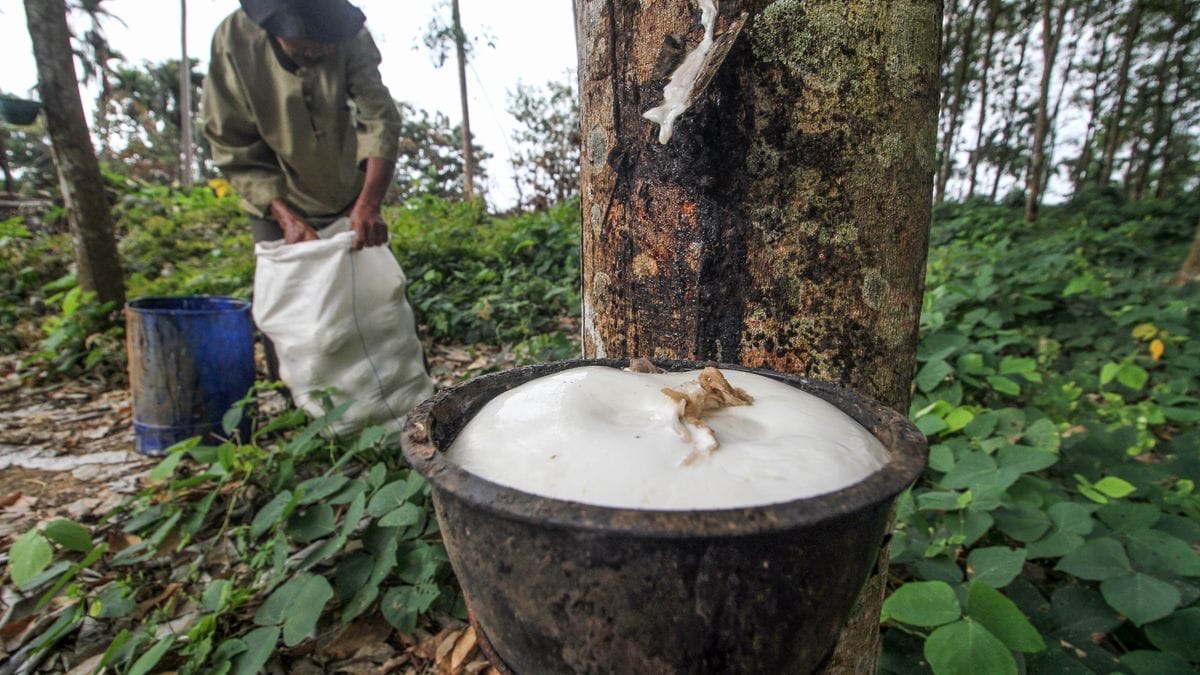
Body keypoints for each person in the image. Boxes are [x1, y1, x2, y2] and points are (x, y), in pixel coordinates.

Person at [202, 0, 399, 251]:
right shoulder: (233, 41)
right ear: (275, 26)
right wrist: (284, 215)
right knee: (291, 285)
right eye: (305, 40)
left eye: (326, 40)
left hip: (350, 195)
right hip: (278, 201)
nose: (317, 49)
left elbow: (380, 117)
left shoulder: (351, 34)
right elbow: (231, 141)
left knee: (365, 284)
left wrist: (369, 203)